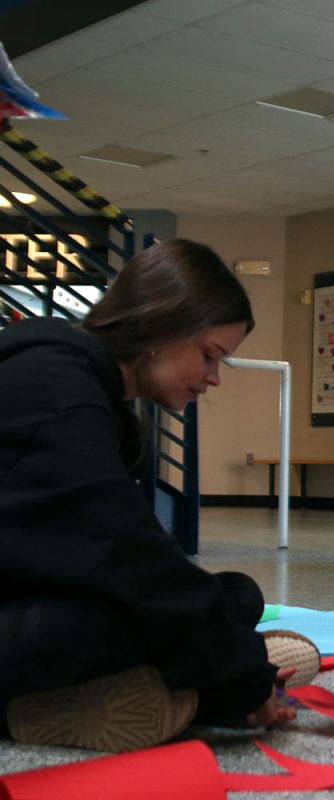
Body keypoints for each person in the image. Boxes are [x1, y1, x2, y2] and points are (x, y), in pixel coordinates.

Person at [0, 238, 316, 753]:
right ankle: (194, 695)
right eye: (210, 356)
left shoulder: (87, 390)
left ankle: (138, 689)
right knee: (150, 609)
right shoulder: (54, 388)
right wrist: (241, 673)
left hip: (21, 594)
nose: (213, 379)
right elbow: (126, 550)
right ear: (158, 328)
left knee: (235, 594)